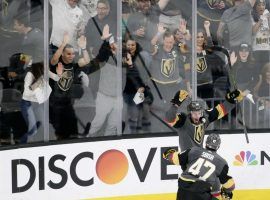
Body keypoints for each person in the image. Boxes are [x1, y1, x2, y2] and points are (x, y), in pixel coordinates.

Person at [165, 89, 244, 151]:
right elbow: (169, 119)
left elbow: (220, 110)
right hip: (186, 159)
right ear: (190, 113)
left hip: (200, 155)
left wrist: (231, 101)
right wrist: (175, 104)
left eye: (199, 113)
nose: (197, 116)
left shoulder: (205, 117)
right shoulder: (183, 120)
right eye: (194, 113)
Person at [163, 133, 235, 200]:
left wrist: (169, 153)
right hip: (200, 190)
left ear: (206, 143)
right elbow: (230, 185)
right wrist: (227, 192)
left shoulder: (194, 150)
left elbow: (175, 159)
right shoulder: (222, 163)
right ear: (218, 146)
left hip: (183, 186)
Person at [49, 33, 90, 140]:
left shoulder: (74, 65)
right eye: (68, 54)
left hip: (68, 103)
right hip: (55, 104)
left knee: (73, 131)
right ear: (62, 54)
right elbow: (53, 59)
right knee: (61, 133)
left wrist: (84, 48)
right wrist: (63, 44)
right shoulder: (57, 65)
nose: (71, 56)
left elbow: (86, 61)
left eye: (73, 54)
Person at [20, 62, 60, 143]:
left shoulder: (46, 72)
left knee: (44, 126)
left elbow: (56, 78)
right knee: (33, 129)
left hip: (38, 104)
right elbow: (27, 93)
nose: (48, 68)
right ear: (39, 66)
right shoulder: (30, 75)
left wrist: (59, 74)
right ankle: (22, 144)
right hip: (28, 103)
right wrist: (39, 81)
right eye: (45, 66)